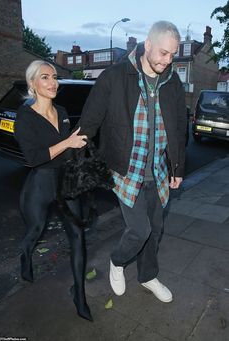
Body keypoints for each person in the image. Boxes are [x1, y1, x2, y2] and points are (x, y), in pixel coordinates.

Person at [78, 21, 187, 303]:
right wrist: (68, 154)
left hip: (158, 172)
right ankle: (117, 261)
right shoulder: (115, 76)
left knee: (156, 230)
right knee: (140, 230)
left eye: (173, 54)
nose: (168, 60)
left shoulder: (172, 81)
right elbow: (89, 121)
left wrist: (177, 167)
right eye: (163, 53)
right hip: (126, 170)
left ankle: (148, 275)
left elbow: (178, 127)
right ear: (147, 45)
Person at [14, 60, 93, 321]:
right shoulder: (24, 116)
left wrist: (80, 147)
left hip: (66, 184)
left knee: (78, 237)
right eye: (45, 77)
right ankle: (26, 256)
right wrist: (67, 141)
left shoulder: (61, 110)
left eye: (55, 77)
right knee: (34, 232)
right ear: (33, 84)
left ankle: (79, 294)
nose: (53, 82)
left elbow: (69, 151)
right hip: (40, 184)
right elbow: (35, 157)